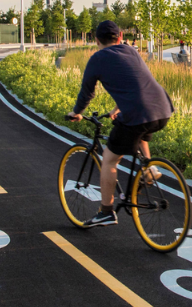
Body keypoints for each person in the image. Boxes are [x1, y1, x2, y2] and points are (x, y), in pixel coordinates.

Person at [67, 20, 175, 227]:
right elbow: (137, 82)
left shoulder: (96, 59)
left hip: (139, 112)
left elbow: (86, 93)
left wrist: (76, 113)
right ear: (120, 37)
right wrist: (118, 108)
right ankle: (149, 169)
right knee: (140, 133)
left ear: (96, 40)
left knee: (109, 159)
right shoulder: (131, 51)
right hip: (162, 109)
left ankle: (106, 211)